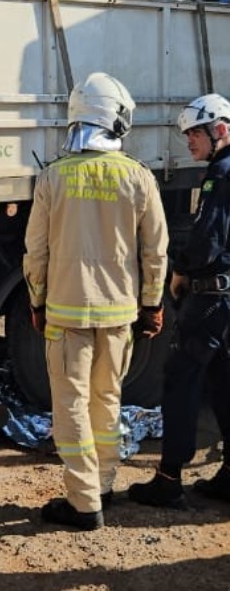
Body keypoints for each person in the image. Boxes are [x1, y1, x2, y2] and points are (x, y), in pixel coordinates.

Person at [22, 72, 169, 531]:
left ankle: (84, 504)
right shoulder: (139, 178)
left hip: (66, 313)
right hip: (121, 313)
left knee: (71, 403)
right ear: (118, 121)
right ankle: (103, 484)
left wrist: (37, 300)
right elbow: (156, 250)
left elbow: (36, 251)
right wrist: (152, 304)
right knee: (107, 399)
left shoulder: (53, 177)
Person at [129, 93, 230, 510]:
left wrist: (180, 269)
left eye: (195, 134)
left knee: (181, 381)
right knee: (223, 382)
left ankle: (169, 478)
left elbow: (207, 241)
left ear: (220, 130)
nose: (189, 142)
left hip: (210, 300)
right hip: (227, 300)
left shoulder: (219, 175)